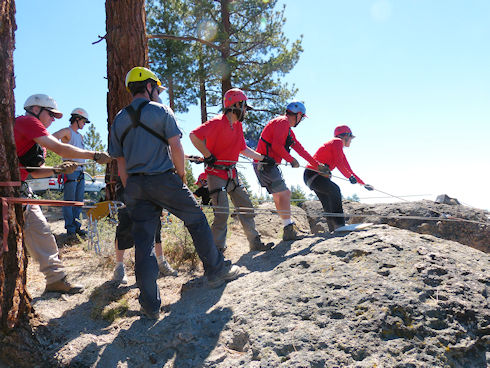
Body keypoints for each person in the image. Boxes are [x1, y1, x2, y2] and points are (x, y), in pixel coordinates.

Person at [109, 67, 239, 319]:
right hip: (163, 178)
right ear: (148, 86)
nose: (157, 93)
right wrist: (181, 176)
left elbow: (120, 162)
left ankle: (149, 304)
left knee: (144, 243)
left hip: (135, 186)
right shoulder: (161, 111)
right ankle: (215, 270)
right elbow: (176, 147)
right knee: (196, 218)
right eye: (156, 88)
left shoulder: (119, 119)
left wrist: (130, 189)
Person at [15, 94, 112, 293]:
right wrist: (93, 155)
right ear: (35, 109)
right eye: (50, 114)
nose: (52, 119)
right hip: (11, 190)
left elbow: (33, 171)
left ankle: (55, 279)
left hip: (20, 189)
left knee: (42, 231)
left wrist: (57, 170)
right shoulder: (28, 121)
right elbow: (60, 148)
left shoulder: (32, 132)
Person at [190, 88, 275, 253]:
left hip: (232, 174)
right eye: (244, 106)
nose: (245, 111)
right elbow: (194, 136)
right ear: (236, 104)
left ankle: (254, 242)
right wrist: (207, 154)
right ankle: (217, 252)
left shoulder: (237, 126)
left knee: (246, 207)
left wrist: (263, 158)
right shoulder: (216, 122)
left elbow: (244, 149)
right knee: (222, 213)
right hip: (216, 174)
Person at [254, 101, 328, 241]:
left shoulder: (285, 127)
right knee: (285, 193)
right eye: (301, 117)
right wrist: (290, 159)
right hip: (265, 165)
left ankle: (287, 229)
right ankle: (288, 230)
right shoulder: (283, 122)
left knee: (278, 196)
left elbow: (300, 149)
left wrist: (317, 165)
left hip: (264, 165)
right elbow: (276, 145)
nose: (301, 120)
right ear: (298, 115)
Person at [303, 125, 374, 232]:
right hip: (314, 174)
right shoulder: (337, 142)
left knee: (327, 201)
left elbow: (349, 169)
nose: (351, 140)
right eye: (351, 138)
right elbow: (339, 163)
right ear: (346, 136)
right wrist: (349, 177)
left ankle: (333, 229)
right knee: (335, 190)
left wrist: (363, 184)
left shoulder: (338, 148)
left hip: (309, 176)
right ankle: (339, 225)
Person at [112, 179, 177, 285]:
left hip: (151, 181)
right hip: (128, 180)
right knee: (125, 223)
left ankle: (161, 262)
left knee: (155, 223)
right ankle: (119, 267)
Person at [52, 108, 91, 238]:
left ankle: (77, 227)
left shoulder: (80, 136)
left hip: (80, 170)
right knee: (69, 201)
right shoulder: (66, 132)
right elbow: (51, 138)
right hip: (70, 171)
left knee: (78, 201)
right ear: (77, 119)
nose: (84, 124)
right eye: (83, 121)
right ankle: (70, 230)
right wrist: (62, 155)